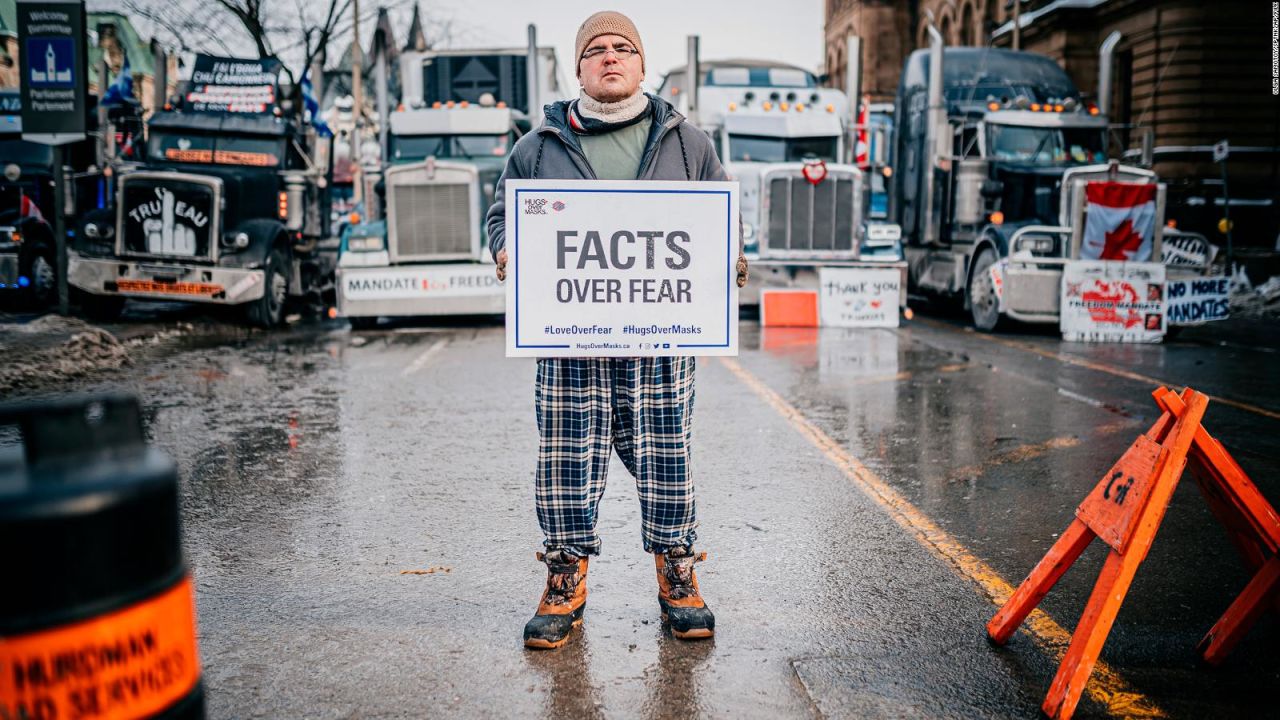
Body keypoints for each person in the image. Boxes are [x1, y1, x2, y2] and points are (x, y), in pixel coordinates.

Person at [485, 11, 748, 650]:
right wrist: (505, 251)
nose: (610, 58)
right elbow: (501, 214)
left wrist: (731, 255)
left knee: (667, 456)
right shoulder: (537, 146)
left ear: (640, 63)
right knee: (566, 459)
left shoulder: (690, 143)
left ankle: (676, 576)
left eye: (622, 48)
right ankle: (564, 580)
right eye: (596, 50)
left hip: (661, 343)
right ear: (578, 67)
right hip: (569, 340)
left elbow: (722, 217)